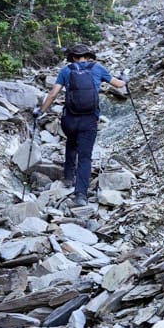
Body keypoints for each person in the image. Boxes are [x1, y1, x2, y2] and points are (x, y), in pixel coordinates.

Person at [33, 43, 127, 206]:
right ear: (88, 55)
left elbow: (53, 93)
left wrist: (41, 111)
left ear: (73, 57)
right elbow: (119, 84)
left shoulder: (66, 71)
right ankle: (80, 195)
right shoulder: (97, 68)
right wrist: (125, 79)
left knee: (71, 142)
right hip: (89, 120)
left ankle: (68, 177)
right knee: (85, 157)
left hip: (69, 119)